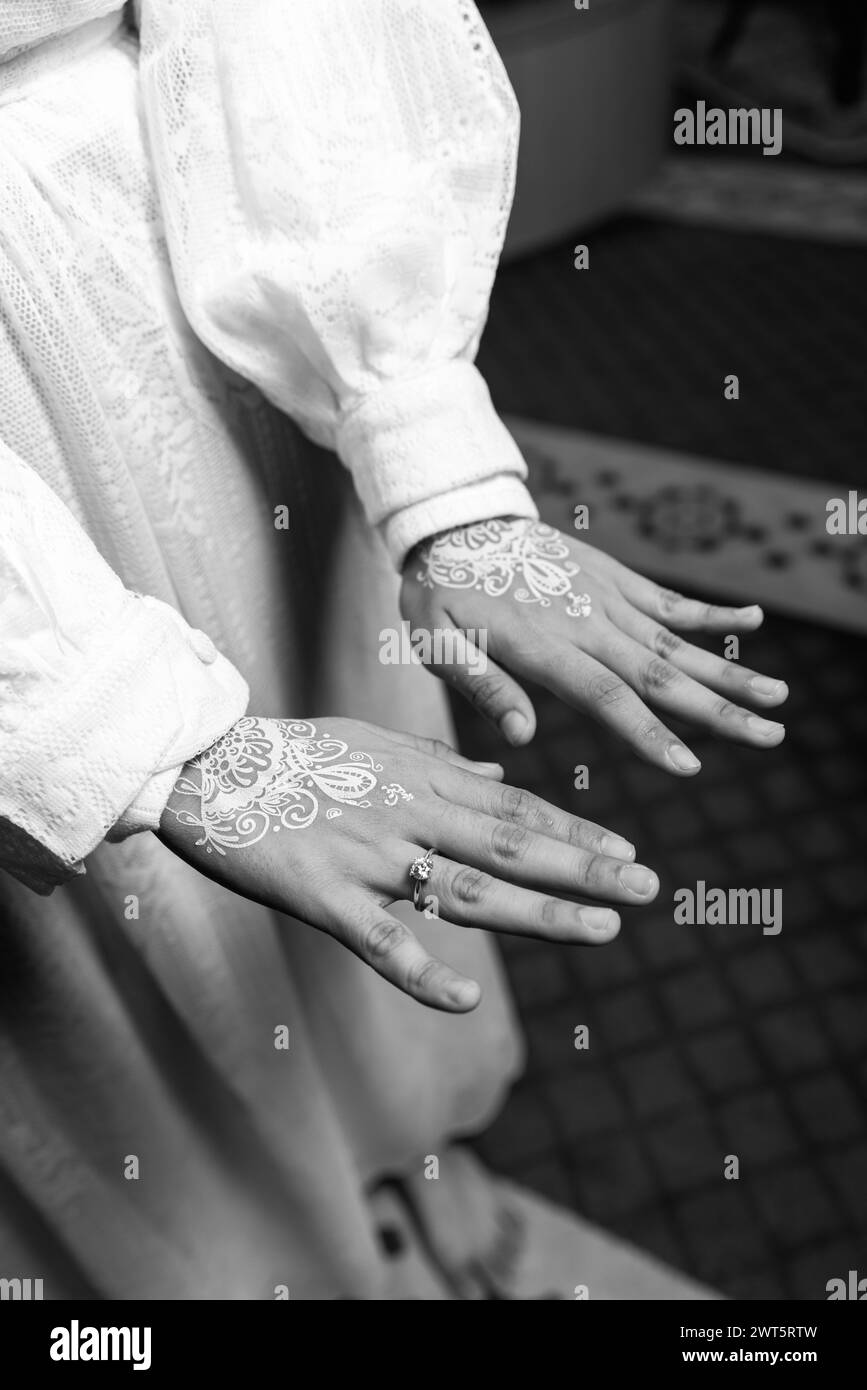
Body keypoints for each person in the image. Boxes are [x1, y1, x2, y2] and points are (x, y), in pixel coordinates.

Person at [0, 1, 787, 1299]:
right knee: (100, 952)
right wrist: (92, 714)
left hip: (193, 262)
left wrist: (426, 448)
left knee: (362, 826)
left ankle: (400, 1174)